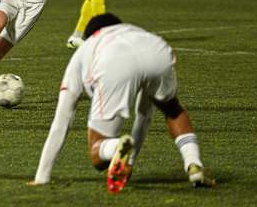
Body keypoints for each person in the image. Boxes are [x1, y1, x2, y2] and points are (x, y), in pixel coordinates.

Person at [29, 13, 215, 192]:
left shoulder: (85, 51)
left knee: (98, 153)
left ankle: (115, 146)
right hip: (157, 49)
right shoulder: (133, 31)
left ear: (90, 36)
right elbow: (144, 116)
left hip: (112, 62)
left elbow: (62, 122)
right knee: (172, 109)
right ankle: (194, 165)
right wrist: (129, 161)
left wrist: (42, 176)